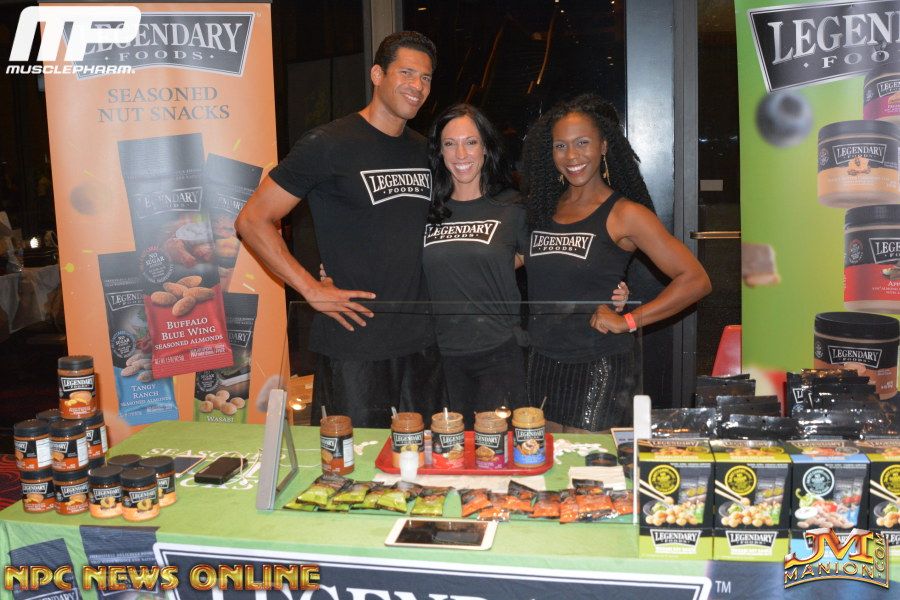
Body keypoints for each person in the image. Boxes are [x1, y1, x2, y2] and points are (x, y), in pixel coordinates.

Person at [235, 31, 444, 428]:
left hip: (421, 344)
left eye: (426, 78)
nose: (417, 86)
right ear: (377, 74)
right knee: (351, 462)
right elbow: (252, 219)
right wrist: (309, 288)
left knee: (422, 460)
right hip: (355, 345)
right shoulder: (328, 144)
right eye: (406, 73)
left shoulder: (425, 150)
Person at [422, 103, 628, 427]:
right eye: (450, 143)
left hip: (498, 356)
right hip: (437, 357)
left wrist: (608, 290)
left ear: (486, 148)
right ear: (440, 151)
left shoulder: (514, 208)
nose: (461, 153)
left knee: (499, 451)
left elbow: (555, 261)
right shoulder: (425, 211)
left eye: (471, 142)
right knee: (448, 452)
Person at [522, 94, 711, 432]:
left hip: (599, 364)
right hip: (542, 362)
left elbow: (696, 280)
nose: (572, 155)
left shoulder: (625, 214)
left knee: (586, 462)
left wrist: (629, 320)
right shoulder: (543, 210)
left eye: (583, 142)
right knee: (542, 459)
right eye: (561, 146)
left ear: (604, 146)